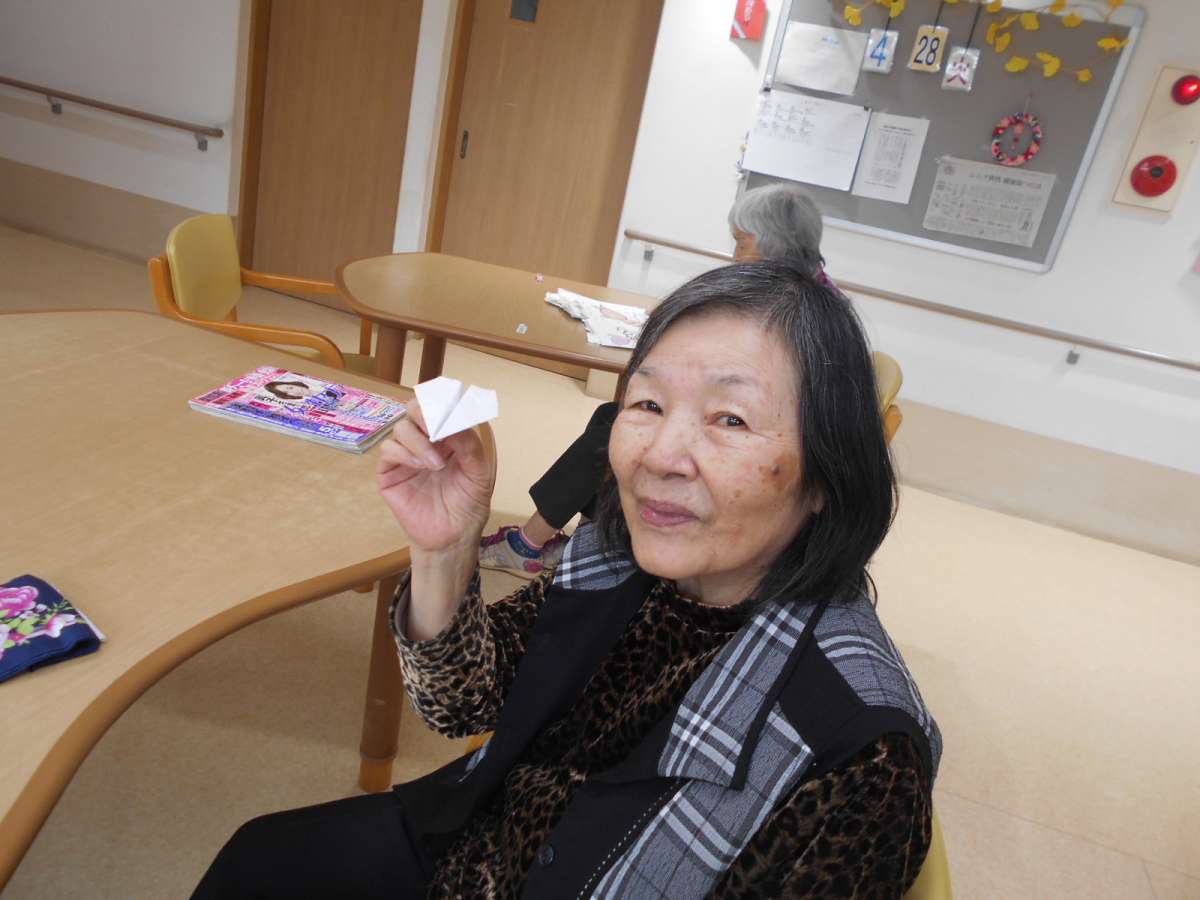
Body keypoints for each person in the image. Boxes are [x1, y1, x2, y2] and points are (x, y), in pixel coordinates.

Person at [193, 262, 941, 899]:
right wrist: (445, 550)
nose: (660, 455)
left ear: (826, 475)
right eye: (647, 403)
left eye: (731, 420)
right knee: (259, 858)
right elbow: (464, 702)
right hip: (474, 844)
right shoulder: (622, 559)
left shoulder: (860, 751)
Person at [480, 182, 834, 576]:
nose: (735, 255)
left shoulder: (789, 312)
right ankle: (591, 541)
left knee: (615, 427)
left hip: (748, 443)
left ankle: (530, 545)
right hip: (733, 424)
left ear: (773, 245)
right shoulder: (808, 291)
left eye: (741, 243)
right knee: (615, 418)